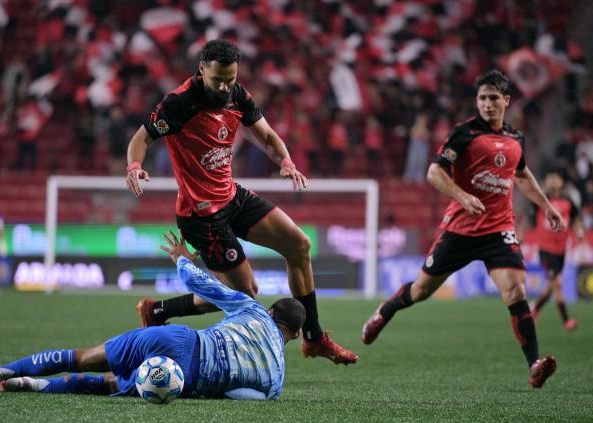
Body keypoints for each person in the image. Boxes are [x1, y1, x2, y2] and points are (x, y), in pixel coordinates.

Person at [125, 39, 357, 365]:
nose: (224, 87)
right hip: (202, 215)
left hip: (231, 196)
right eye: (218, 79)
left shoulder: (238, 95)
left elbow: (267, 136)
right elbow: (141, 138)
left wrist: (286, 162)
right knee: (245, 294)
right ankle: (159, 310)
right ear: (202, 69)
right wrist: (135, 167)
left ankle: (314, 337)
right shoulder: (178, 103)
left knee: (299, 245)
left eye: (230, 80)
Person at [361, 70, 565, 388]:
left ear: (506, 101)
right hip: (460, 228)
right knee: (421, 291)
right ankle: (385, 311)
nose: (487, 104)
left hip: (498, 229)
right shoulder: (464, 134)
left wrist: (547, 206)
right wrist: (462, 195)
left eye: (493, 98)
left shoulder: (515, 138)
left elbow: (522, 175)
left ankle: (534, 365)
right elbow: (433, 172)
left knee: (516, 289)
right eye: (482, 98)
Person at [0, 231, 306, 401]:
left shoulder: (252, 307)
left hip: (180, 339)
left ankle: (4, 370)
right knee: (109, 384)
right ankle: (35, 386)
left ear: (272, 311)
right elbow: (241, 396)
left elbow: (200, 283)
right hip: (190, 378)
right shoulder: (275, 378)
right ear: (292, 334)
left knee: (87, 357)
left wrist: (181, 258)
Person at [526, 170, 582, 330]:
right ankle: (566, 321)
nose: (552, 181)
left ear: (561, 182)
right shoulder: (540, 199)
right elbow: (529, 220)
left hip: (561, 250)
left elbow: (576, 218)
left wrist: (578, 230)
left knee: (551, 287)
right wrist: (521, 235)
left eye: (555, 178)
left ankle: (534, 308)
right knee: (556, 283)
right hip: (545, 248)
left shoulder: (568, 201)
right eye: (549, 178)